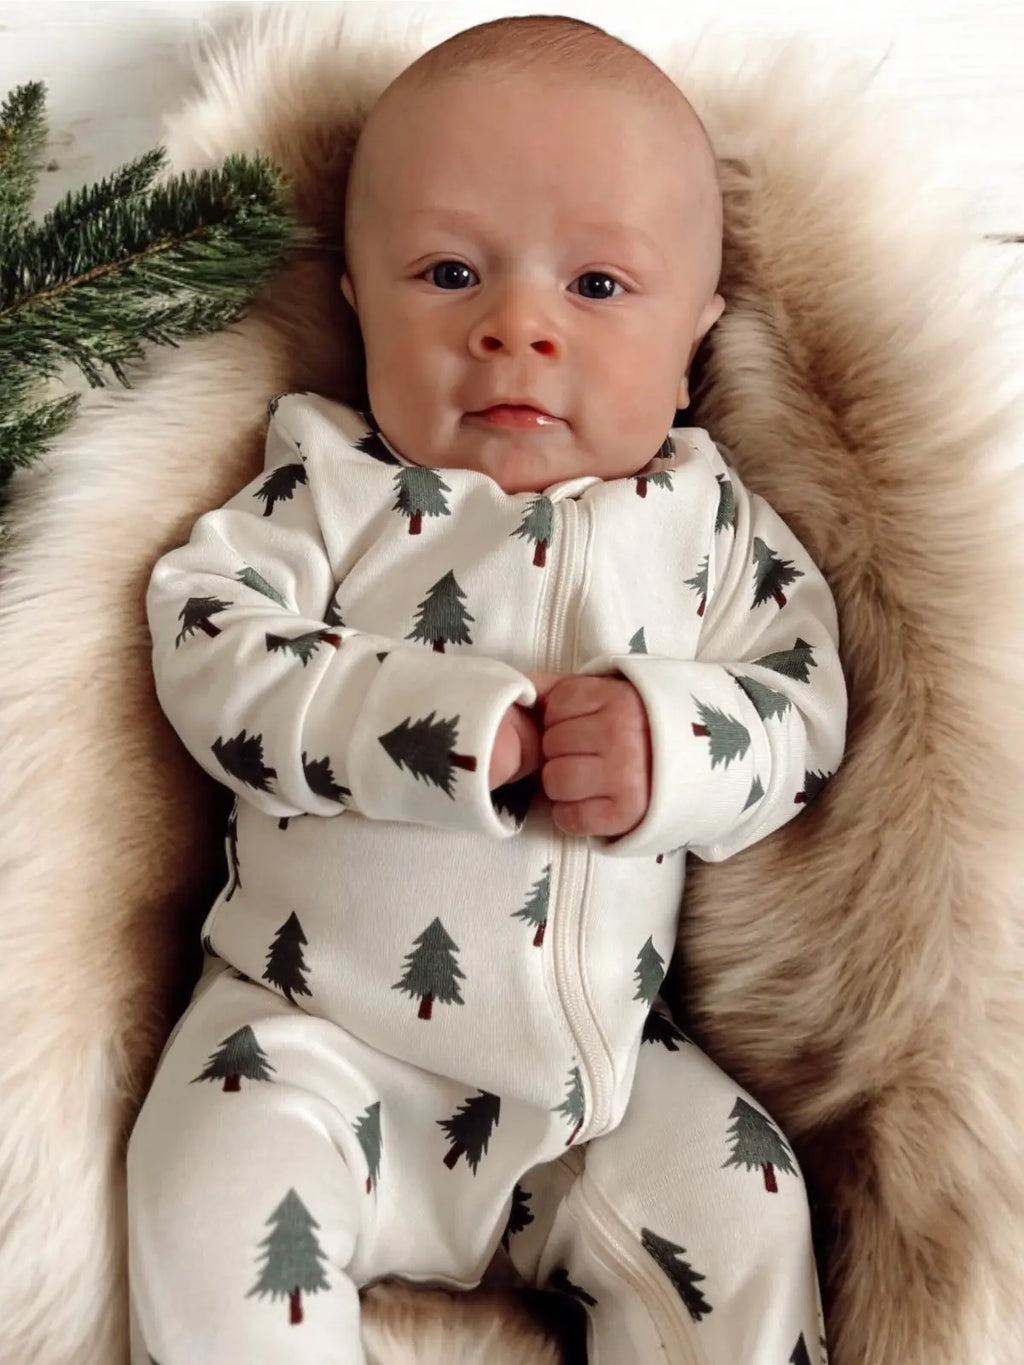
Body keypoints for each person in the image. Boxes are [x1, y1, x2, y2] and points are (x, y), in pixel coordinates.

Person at [127, 14, 846, 1364]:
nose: (517, 326)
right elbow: (208, 645)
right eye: (450, 273)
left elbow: (802, 710)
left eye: (598, 287)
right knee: (202, 1186)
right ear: (355, 299)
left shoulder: (712, 524)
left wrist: (670, 742)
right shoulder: (330, 485)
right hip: (309, 1040)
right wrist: (427, 724)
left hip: (604, 1082)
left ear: (698, 337)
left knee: (746, 1208)